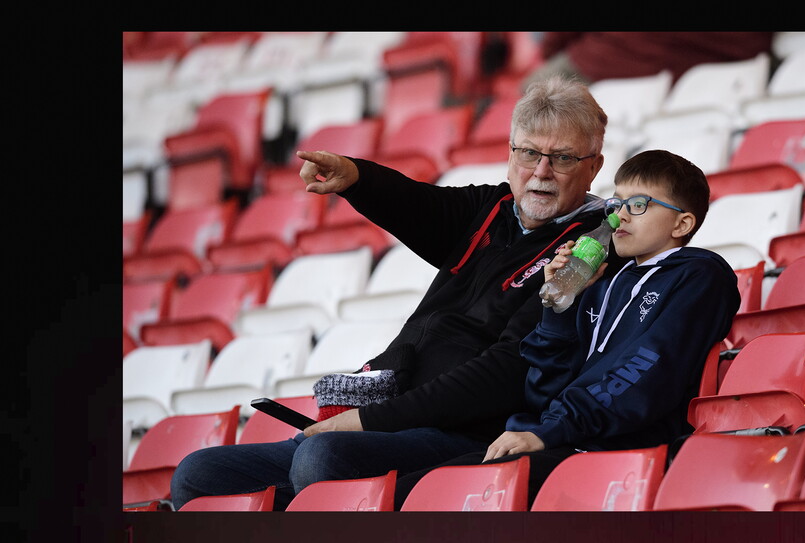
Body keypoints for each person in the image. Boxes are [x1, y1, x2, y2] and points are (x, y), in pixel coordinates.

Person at [169, 75, 630, 511]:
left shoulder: (589, 250)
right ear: (510, 154)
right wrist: (356, 177)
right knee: (198, 473)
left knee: (322, 458)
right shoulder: (492, 206)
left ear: (593, 166)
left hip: (468, 433)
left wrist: (368, 421)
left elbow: (508, 371)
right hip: (390, 417)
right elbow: (418, 205)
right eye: (529, 153)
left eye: (562, 158)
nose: (541, 171)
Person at [392, 149, 742, 509]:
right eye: (616, 203)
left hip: (620, 453)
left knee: (419, 501)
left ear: (681, 224)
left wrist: (549, 432)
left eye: (638, 205)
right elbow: (542, 390)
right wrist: (558, 306)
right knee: (406, 493)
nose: (619, 216)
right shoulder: (603, 284)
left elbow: (649, 369)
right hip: (565, 440)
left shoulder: (700, 275)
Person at [522, 32, 774, 90]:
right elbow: (755, 43)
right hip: (706, 74)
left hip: (604, 62)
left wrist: (550, 49)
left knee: (534, 90)